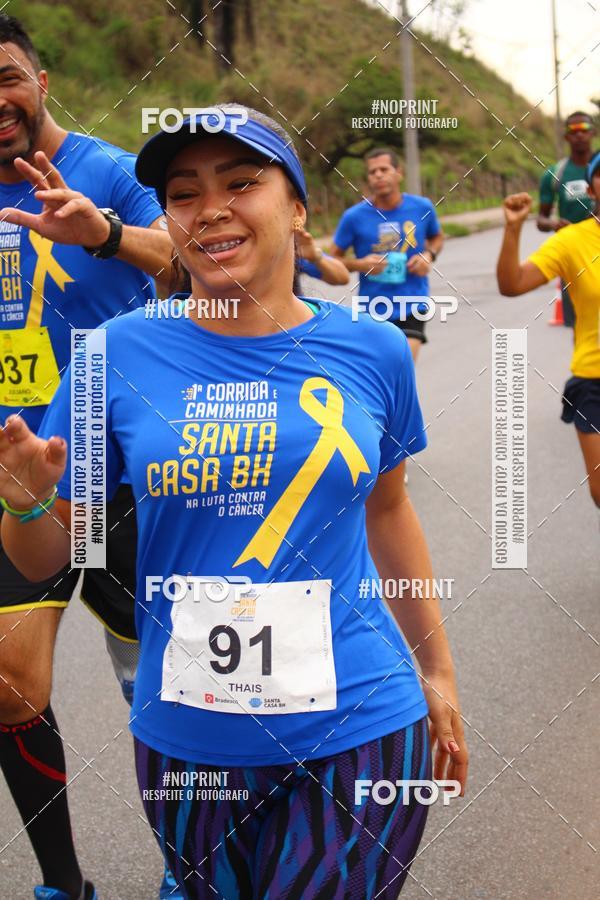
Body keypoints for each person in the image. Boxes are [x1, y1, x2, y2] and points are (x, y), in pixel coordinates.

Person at [2, 105, 468, 899]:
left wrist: (440, 671)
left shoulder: (376, 350)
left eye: (242, 182)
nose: (210, 207)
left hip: (361, 722)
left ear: (296, 207)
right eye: (183, 193)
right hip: (188, 740)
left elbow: (389, 511)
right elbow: (53, 553)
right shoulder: (116, 351)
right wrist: (23, 503)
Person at [0, 15, 178, 900]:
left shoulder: (111, 171)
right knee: (9, 686)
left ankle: (192, 861)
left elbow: (186, 262)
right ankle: (65, 885)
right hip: (19, 485)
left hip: (123, 479)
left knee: (163, 690)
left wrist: (103, 232)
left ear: (39, 74)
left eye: (6, 76)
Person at [497, 153, 600, 515]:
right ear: (590, 188)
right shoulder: (572, 241)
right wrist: (513, 228)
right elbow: (512, 284)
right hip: (593, 377)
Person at [331, 148, 444, 363]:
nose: (379, 175)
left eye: (384, 169)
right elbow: (331, 260)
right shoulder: (354, 217)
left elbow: (437, 237)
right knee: (379, 375)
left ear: (398, 173)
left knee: (403, 368)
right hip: (372, 309)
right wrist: (359, 264)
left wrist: (429, 255)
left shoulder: (422, 207)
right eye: (373, 172)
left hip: (412, 304)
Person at [537, 111, 596, 328]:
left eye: (584, 130)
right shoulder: (556, 174)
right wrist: (553, 223)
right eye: (574, 131)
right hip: (573, 258)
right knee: (578, 326)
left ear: (593, 133)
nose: (580, 135)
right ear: (567, 137)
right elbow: (541, 219)